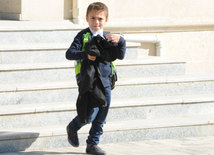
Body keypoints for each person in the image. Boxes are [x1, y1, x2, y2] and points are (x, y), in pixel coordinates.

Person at [65, 2, 126, 155]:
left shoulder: (110, 37)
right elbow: (69, 53)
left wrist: (122, 41)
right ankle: (73, 127)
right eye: (93, 18)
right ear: (87, 18)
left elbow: (121, 55)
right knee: (89, 115)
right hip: (89, 82)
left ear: (106, 20)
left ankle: (92, 144)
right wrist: (85, 54)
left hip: (105, 82)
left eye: (100, 19)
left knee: (102, 116)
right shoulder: (83, 36)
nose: (96, 22)